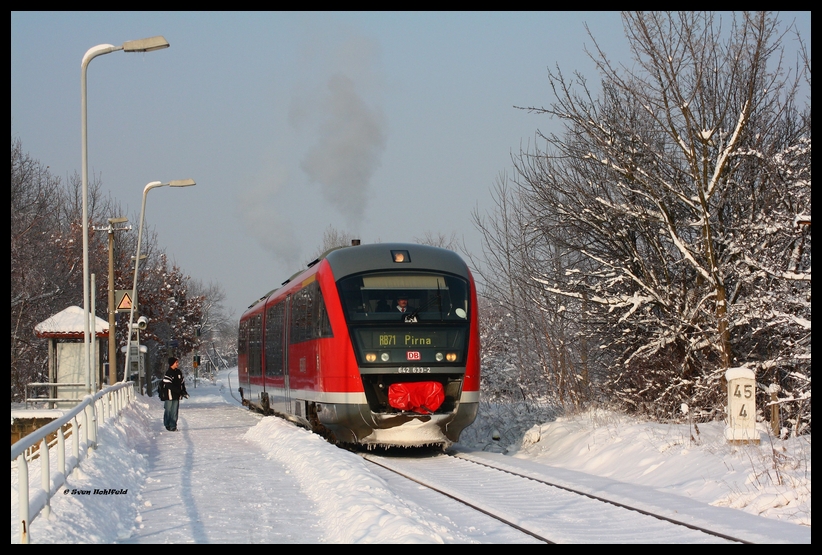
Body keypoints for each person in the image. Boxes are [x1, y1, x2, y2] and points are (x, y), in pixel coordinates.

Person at [161, 357, 188, 431]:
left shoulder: (179, 372)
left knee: (174, 411)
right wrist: (179, 391)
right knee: (168, 410)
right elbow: (169, 385)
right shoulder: (168, 373)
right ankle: (167, 424)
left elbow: (182, 383)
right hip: (169, 395)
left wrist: (184, 391)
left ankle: (173, 426)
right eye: (176, 362)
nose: (177, 364)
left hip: (177, 395)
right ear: (172, 363)